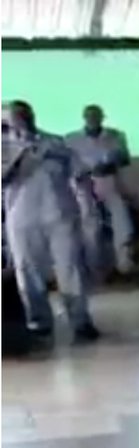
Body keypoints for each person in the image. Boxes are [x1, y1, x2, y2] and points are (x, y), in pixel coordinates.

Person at [2, 100, 99, 342]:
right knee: (28, 270)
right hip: (21, 217)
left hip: (59, 214)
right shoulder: (4, 146)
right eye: (15, 116)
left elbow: (79, 174)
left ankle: (80, 321)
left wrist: (87, 206)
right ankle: (39, 320)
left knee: (70, 268)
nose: (21, 119)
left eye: (24, 114)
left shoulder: (55, 142)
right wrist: (21, 155)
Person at [65, 104, 134, 280]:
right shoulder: (71, 139)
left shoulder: (116, 136)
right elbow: (68, 164)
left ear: (102, 117)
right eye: (89, 116)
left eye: (96, 115)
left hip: (109, 180)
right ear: (84, 118)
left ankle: (124, 265)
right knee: (90, 225)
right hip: (83, 183)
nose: (93, 119)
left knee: (121, 222)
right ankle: (96, 269)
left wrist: (112, 162)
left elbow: (125, 159)